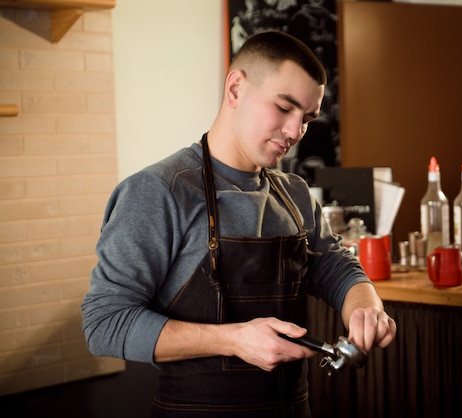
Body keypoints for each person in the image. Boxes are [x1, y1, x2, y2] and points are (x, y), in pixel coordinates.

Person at [81, 30, 396, 418]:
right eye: (284, 108)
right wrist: (233, 340)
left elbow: (334, 266)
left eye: (307, 119)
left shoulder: (294, 193)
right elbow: (105, 325)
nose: (295, 132)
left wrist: (364, 305)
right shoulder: (157, 191)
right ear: (235, 89)